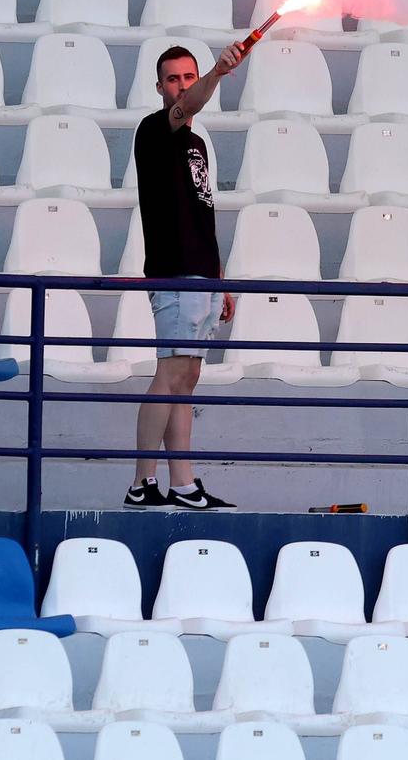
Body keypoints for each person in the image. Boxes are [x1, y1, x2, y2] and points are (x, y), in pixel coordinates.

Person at [124, 43, 250, 509]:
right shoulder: (155, 129)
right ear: (160, 87)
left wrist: (220, 279)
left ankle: (183, 482)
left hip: (202, 275)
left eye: (188, 75)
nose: (182, 84)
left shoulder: (198, 145)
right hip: (173, 273)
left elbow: (203, 214)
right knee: (169, 375)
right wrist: (218, 71)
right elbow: (189, 105)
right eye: (173, 78)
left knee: (187, 378)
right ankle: (141, 482)